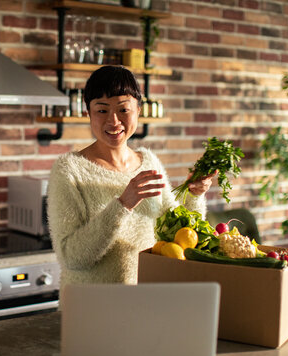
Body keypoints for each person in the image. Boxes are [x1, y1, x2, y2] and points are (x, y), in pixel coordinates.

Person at [47, 65, 215, 289]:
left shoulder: (148, 162)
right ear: (88, 113)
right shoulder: (69, 170)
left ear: (138, 110)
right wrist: (123, 204)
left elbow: (179, 237)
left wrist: (195, 194)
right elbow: (73, 259)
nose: (114, 121)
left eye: (123, 110)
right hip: (90, 309)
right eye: (102, 110)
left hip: (145, 301)